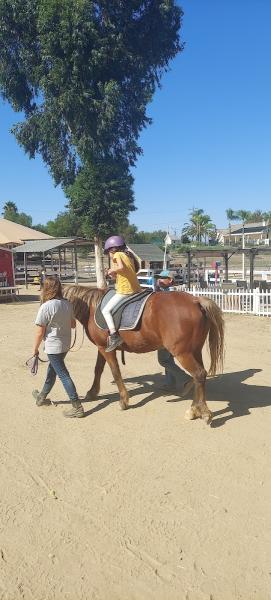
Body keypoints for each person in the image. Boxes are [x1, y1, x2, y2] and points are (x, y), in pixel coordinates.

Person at [32, 276, 84, 418]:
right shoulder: (67, 304)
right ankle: (41, 397)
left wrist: (35, 349)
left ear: (47, 288)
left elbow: (39, 331)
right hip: (65, 345)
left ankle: (77, 406)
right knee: (52, 371)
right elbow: (73, 325)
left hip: (53, 347)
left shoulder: (45, 307)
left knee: (63, 375)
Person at [102, 235, 141, 352]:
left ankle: (114, 336)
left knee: (106, 310)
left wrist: (111, 270)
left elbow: (120, 267)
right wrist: (113, 274)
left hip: (125, 290)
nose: (109, 254)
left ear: (112, 249)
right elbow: (125, 271)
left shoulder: (117, 255)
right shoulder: (129, 256)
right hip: (136, 288)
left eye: (108, 251)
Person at [155, 270, 191, 393]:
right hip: (171, 331)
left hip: (167, 332)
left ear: (170, 280)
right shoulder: (168, 294)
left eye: (162, 278)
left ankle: (185, 378)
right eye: (158, 278)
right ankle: (170, 383)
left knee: (164, 360)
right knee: (168, 359)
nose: (159, 280)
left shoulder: (168, 296)